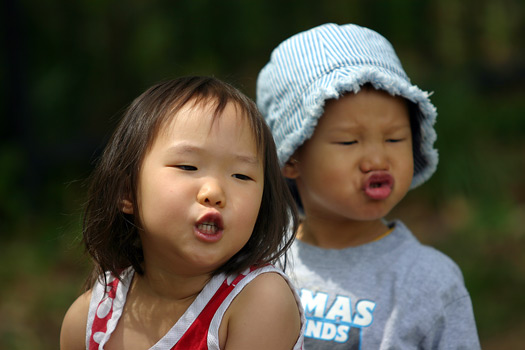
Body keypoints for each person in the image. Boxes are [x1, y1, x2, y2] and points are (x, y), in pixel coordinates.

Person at [256, 23, 480, 349]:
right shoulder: (262, 263)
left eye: (394, 138)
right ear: (291, 157)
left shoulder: (429, 281)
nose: (377, 159)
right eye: (349, 141)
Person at [60, 76, 305, 350]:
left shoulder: (258, 300)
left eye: (241, 175)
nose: (214, 191)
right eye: (188, 167)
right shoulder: (86, 322)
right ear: (126, 192)